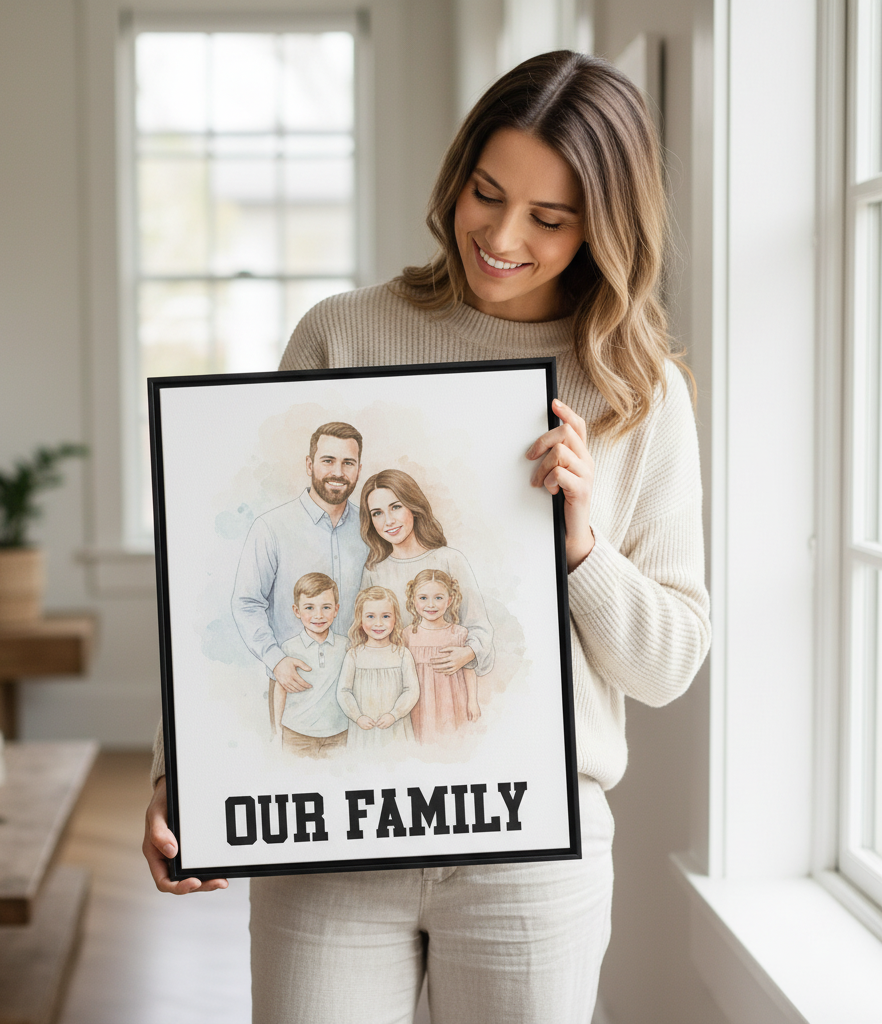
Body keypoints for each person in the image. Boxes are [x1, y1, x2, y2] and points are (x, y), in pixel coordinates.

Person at [144, 49, 711, 1024]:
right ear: (457, 178)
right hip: (329, 833)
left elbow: (666, 664)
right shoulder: (341, 336)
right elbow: (259, 578)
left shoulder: (638, 392)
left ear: (605, 228)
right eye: (485, 193)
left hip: (533, 856)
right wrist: (182, 772)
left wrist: (580, 551)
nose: (498, 235)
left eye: (549, 217)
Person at [230, 421, 368, 725]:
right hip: (294, 688)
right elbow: (246, 602)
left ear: (359, 468)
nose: (338, 472)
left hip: (363, 690)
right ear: (309, 464)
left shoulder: (372, 527)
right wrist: (276, 661)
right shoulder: (271, 528)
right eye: (328, 460)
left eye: (348, 463)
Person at [359, 468, 495, 677]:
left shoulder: (449, 559)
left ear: (413, 507)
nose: (388, 521)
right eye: (377, 513)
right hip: (395, 681)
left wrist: (466, 653)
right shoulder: (374, 570)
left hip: (445, 679)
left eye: (395, 507)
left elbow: (479, 628)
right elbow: (363, 633)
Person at [272, 572, 350, 758]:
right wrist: (277, 728)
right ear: (297, 611)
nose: (318, 615)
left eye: (326, 607)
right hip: (296, 733)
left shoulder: (346, 646)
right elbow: (280, 690)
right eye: (309, 607)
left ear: (336, 610)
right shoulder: (289, 648)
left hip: (338, 733)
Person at [336, 585, 420, 749]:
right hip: (364, 730)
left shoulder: (403, 654)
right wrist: (358, 716)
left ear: (395, 618)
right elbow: (343, 691)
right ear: (360, 619)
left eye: (386, 616)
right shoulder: (354, 655)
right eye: (370, 616)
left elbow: (412, 690)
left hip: (395, 728)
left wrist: (394, 714)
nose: (378, 623)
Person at [402, 568, 480, 743]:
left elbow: (469, 670)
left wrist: (472, 701)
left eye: (438, 598)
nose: (431, 605)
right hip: (419, 704)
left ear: (449, 600)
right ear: (413, 600)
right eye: (423, 598)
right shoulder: (406, 635)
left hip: (452, 702)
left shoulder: (459, 633)